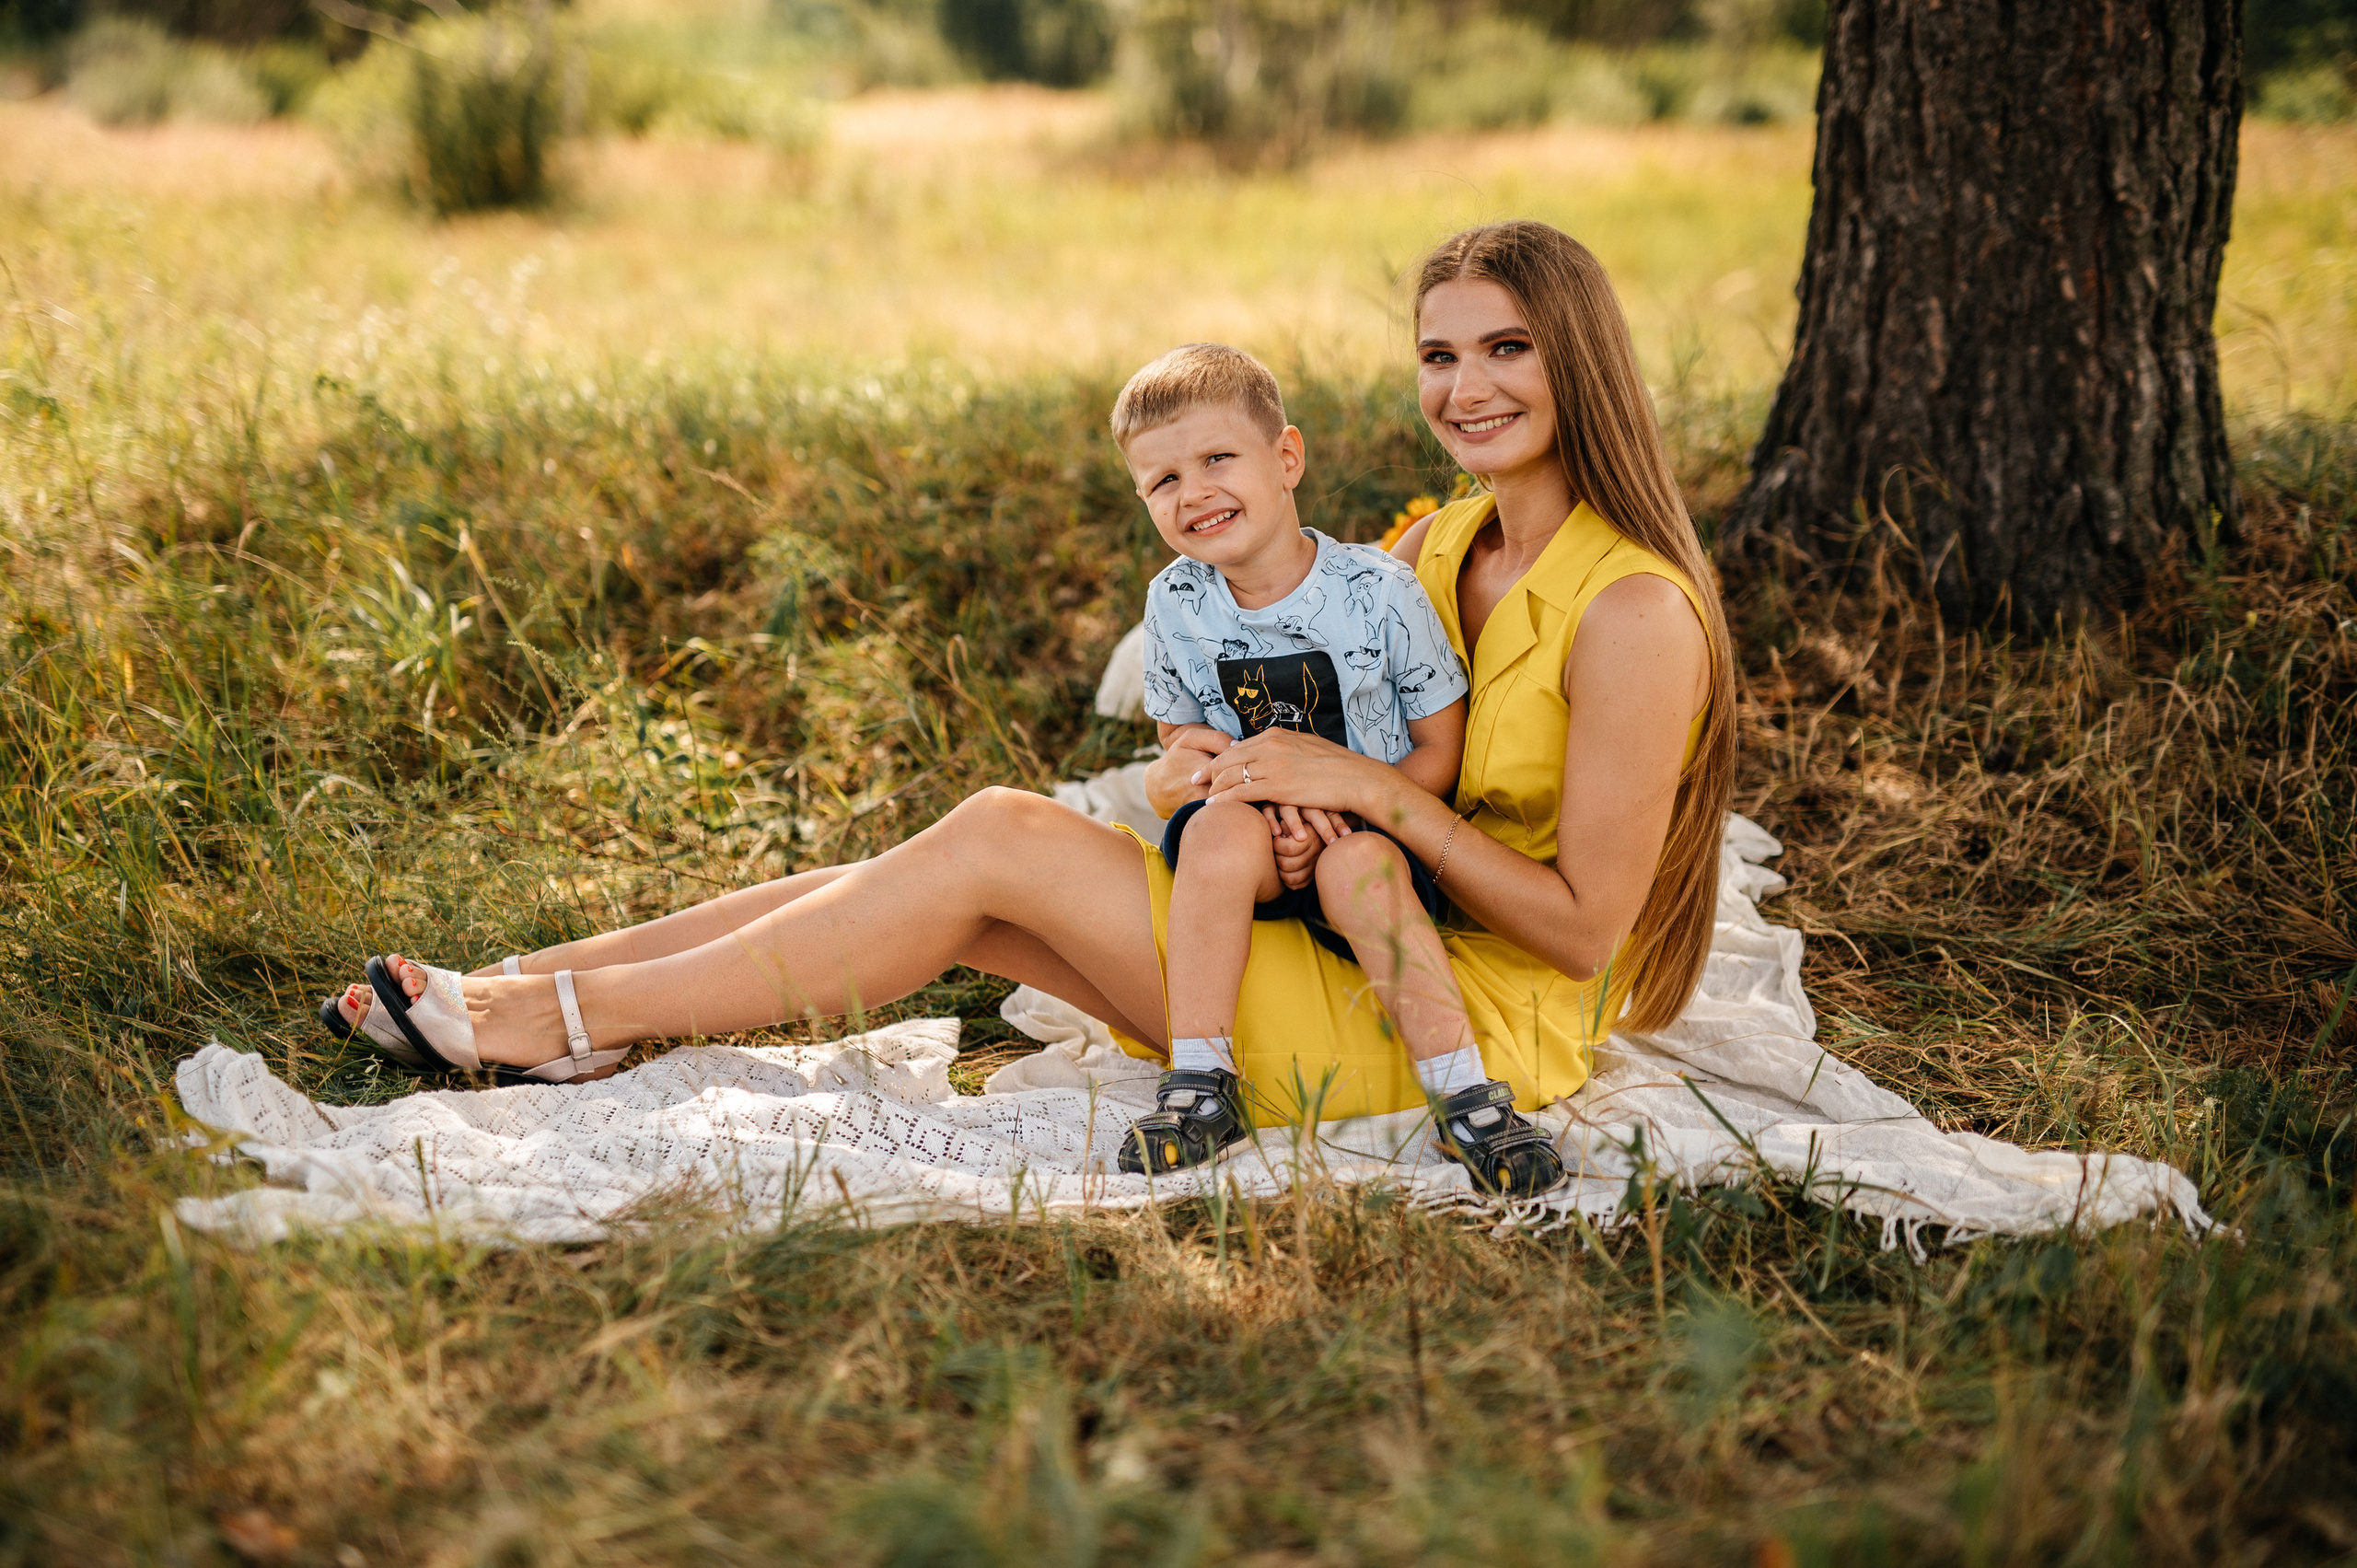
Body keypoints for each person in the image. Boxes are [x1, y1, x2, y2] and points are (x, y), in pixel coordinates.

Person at [321, 219, 1736, 1200]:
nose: (1466, 387)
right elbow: (1332, 747)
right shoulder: (1438, 548)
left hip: (1437, 1011)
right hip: (1324, 914)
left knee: (997, 840)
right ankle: (544, 984)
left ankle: (545, 1015)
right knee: (952, 888)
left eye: (1506, 350)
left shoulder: (1633, 610)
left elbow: (1580, 928)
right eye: (1440, 355)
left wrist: (1366, 799)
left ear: (1579, 363)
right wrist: (1249, 792)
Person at [1109, 343, 1550, 1188]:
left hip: (1372, 831)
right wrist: (1220, 788)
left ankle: (1466, 1099)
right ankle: (1202, 1080)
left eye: (1215, 459)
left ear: (1285, 459)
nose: (1192, 492)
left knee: (1362, 868)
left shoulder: (1378, 591)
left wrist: (1348, 810)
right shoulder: (1175, 601)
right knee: (1217, 837)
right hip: (1250, 837)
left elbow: (1440, 748)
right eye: (1162, 482)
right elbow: (1183, 739)